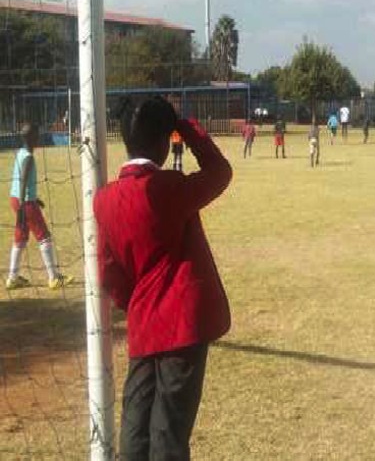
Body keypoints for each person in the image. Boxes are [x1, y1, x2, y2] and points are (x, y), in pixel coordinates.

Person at [93, 97, 232, 460]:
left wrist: (137, 303)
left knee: (136, 424)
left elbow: (108, 270)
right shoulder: (169, 187)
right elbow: (220, 172)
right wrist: (186, 127)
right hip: (182, 324)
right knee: (169, 429)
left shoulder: (104, 199)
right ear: (163, 143)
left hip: (143, 322)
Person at [6, 123, 73, 290]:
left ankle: (12, 278)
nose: (39, 137)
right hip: (24, 202)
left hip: (16, 199)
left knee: (20, 238)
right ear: (31, 138)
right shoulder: (28, 156)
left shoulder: (20, 153)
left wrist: (35, 200)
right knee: (44, 236)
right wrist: (24, 205)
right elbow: (22, 182)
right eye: (36, 134)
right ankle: (53, 278)